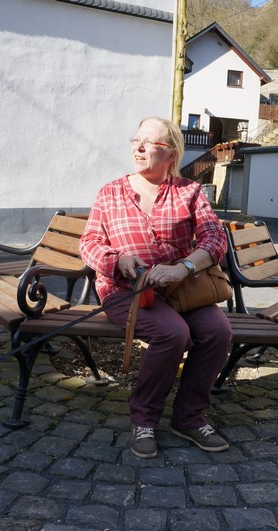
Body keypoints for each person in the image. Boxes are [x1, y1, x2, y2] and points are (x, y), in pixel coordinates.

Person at [79, 116, 232, 459]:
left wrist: (183, 268)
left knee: (218, 331)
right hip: (126, 291)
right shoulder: (111, 193)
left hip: (181, 289)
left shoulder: (189, 192)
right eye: (136, 140)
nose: (139, 148)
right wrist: (117, 260)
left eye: (150, 143)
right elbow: (89, 244)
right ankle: (144, 419)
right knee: (171, 332)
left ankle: (189, 418)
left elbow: (214, 238)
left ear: (171, 154)